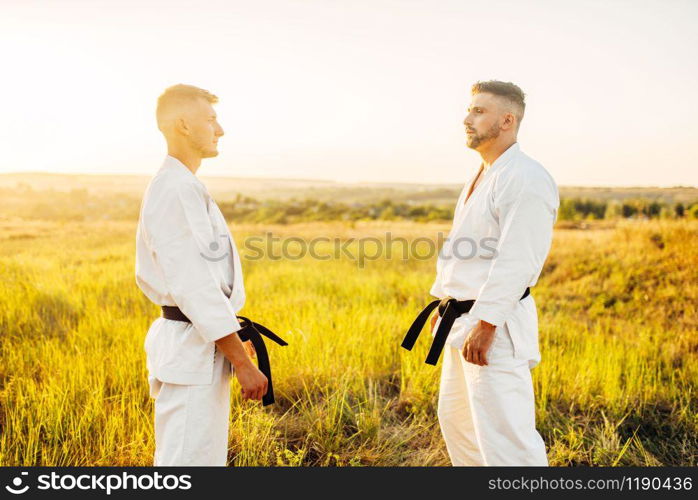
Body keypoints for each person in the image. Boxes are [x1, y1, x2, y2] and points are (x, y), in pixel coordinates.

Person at [426, 80, 558, 465]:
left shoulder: (526, 177)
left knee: (507, 442)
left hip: (494, 328)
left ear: (507, 120)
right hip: (462, 320)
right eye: (469, 110)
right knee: (459, 426)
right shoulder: (482, 174)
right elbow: (469, 252)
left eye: (478, 111)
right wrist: (443, 302)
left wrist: (486, 322)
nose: (466, 119)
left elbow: (518, 260)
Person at [135, 84, 268, 466]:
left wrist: (232, 344)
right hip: (191, 347)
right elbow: (193, 285)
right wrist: (241, 362)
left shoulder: (183, 185)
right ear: (183, 125)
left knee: (199, 459)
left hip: (199, 345)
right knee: (187, 463)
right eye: (210, 120)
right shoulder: (175, 188)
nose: (220, 129)